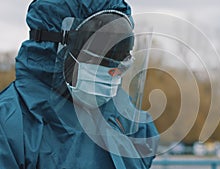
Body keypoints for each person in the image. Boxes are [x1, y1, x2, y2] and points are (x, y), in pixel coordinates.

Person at [0, 0, 159, 168]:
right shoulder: (12, 124)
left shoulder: (125, 116)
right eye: (100, 47)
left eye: (120, 47)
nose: (113, 66)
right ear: (58, 45)